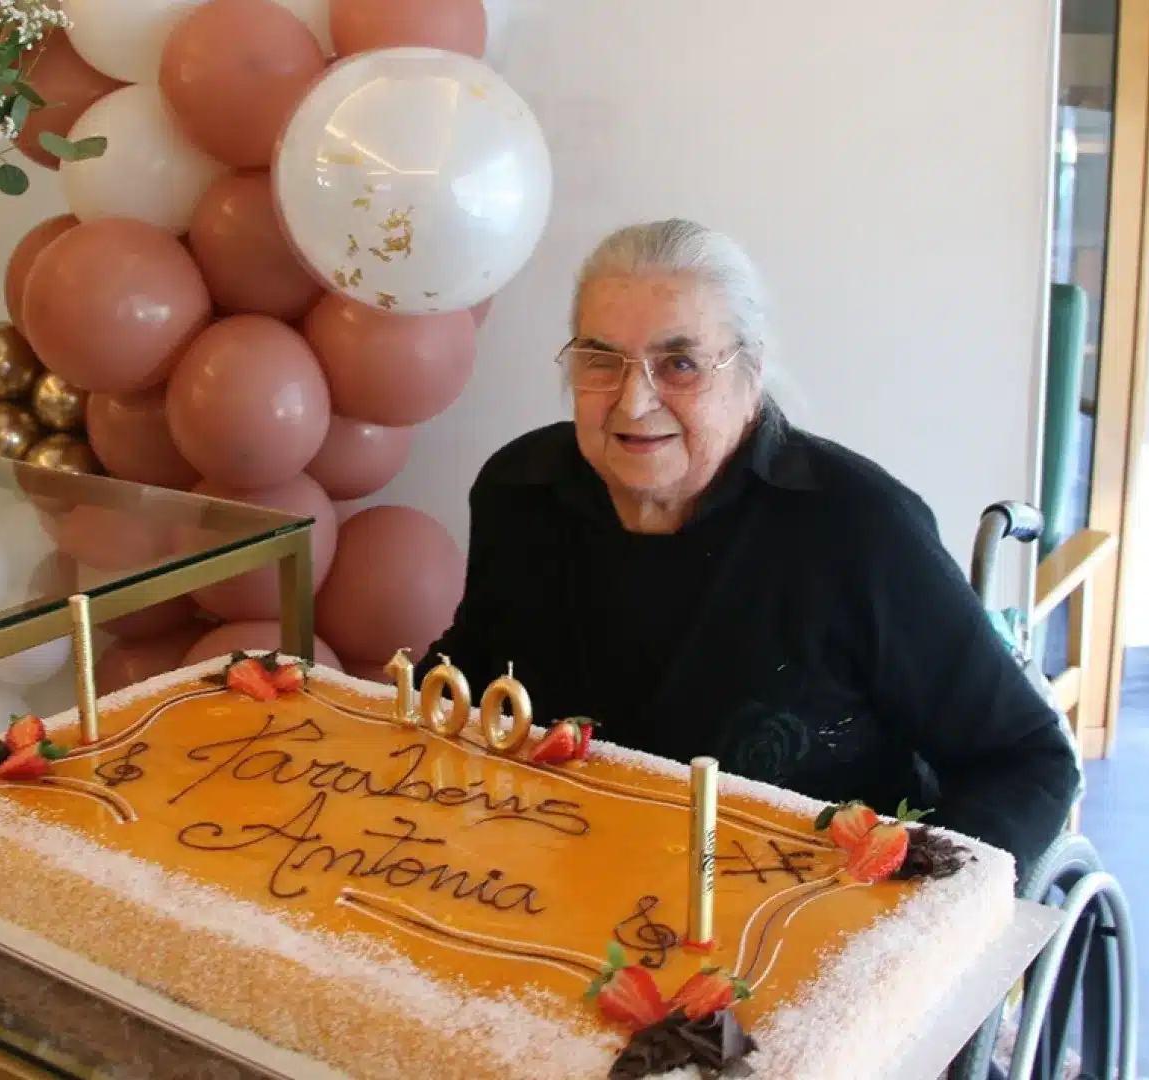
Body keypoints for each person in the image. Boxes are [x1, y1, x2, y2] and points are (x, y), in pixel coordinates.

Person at [423, 219, 1080, 877]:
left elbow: (1026, 759)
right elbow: (477, 668)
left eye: (679, 364)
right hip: (561, 876)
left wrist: (913, 913)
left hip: (794, 916)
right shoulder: (521, 490)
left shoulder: (858, 530)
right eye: (602, 361)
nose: (633, 401)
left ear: (750, 375)